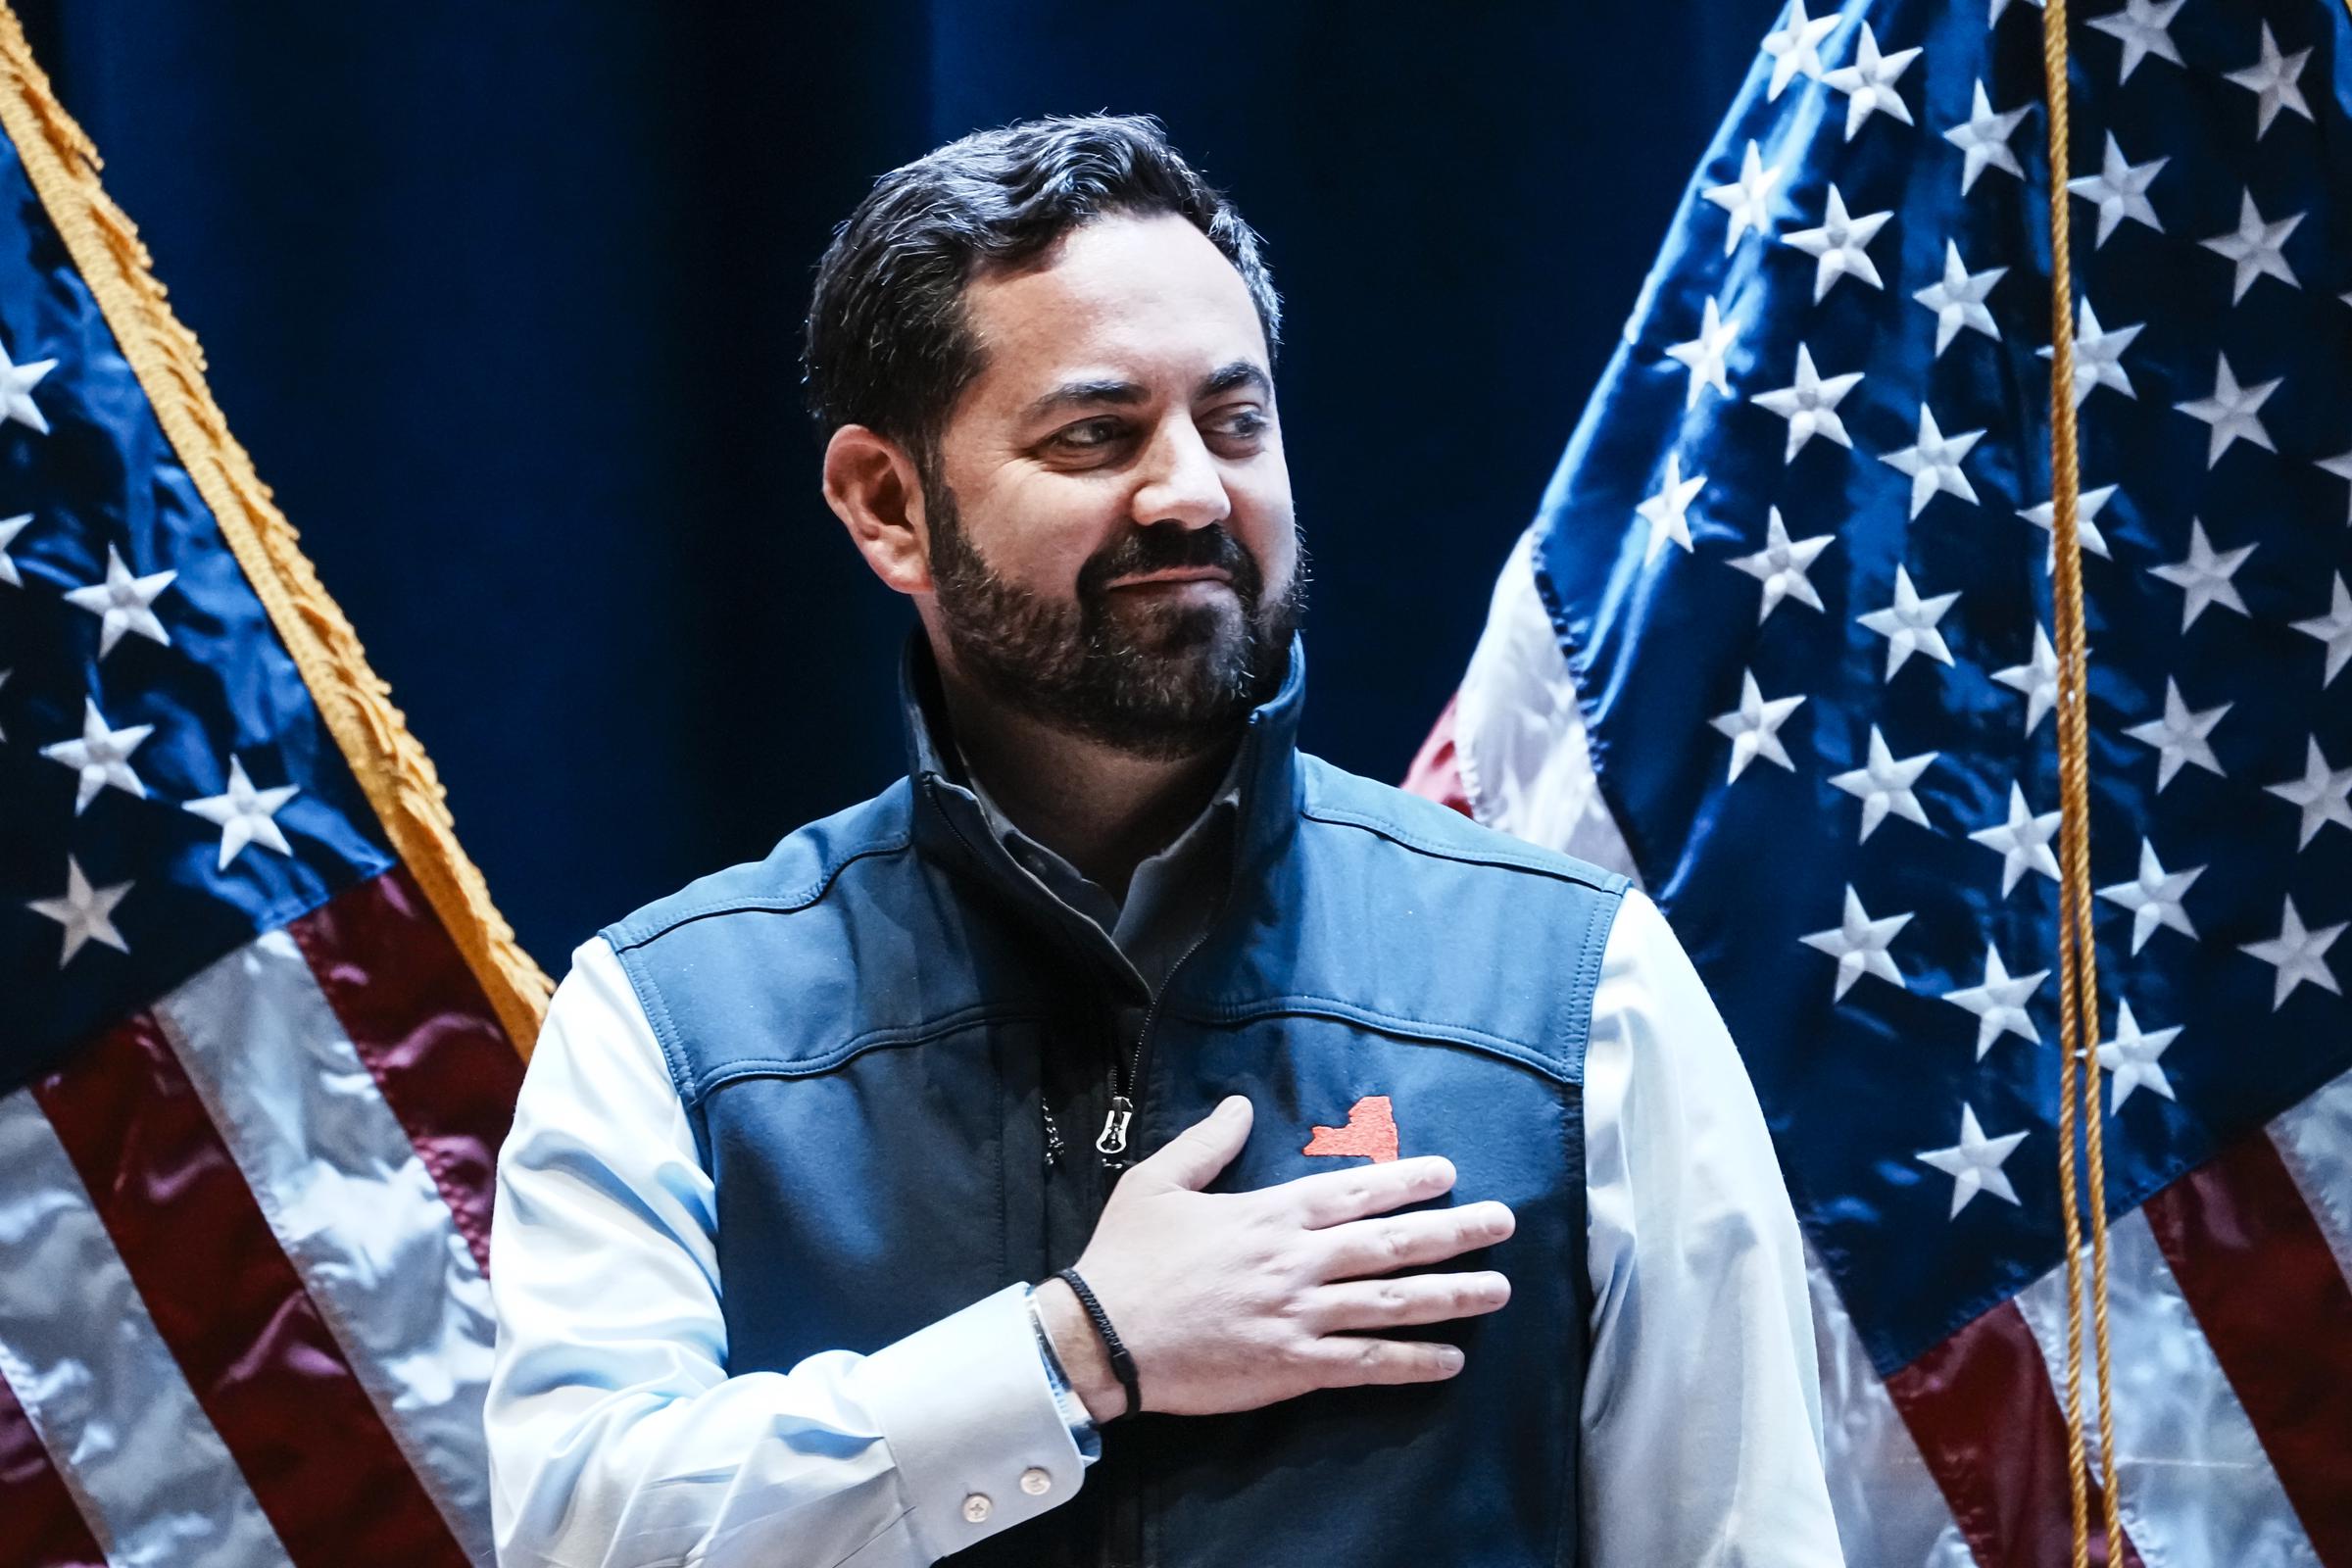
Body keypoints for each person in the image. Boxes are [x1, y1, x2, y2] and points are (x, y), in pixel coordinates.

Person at [484, 114, 1842, 1568]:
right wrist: (1074, 1350)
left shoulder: (1578, 989)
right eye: (1096, 432)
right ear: (889, 505)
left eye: (1235, 422)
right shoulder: (672, 1020)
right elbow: (583, 1532)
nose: (1192, 490)